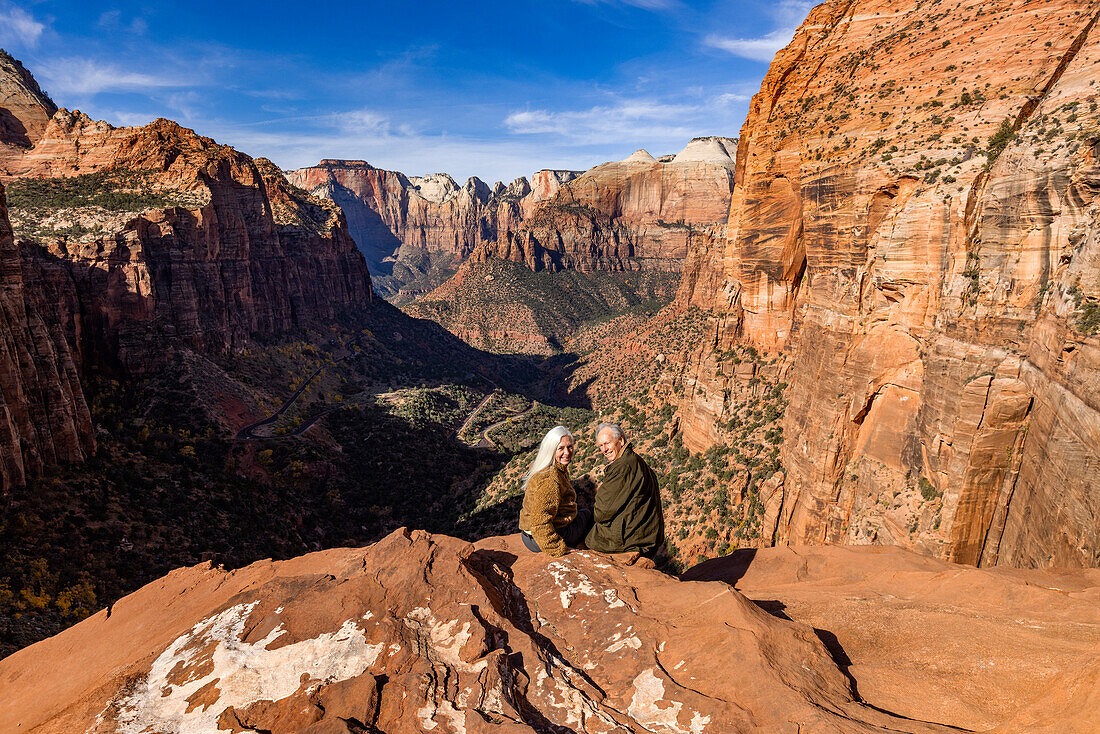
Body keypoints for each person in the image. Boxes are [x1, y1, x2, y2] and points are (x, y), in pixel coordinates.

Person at [584, 423, 665, 558]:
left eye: (607, 443)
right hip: (644, 533)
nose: (604, 450)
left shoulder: (623, 466)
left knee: (581, 533)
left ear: (621, 440)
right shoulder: (633, 459)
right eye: (601, 446)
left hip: (630, 539)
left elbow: (601, 513)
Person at [519, 426, 593, 556]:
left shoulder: (554, 469)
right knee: (589, 514)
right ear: (551, 450)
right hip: (539, 539)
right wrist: (559, 548)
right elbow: (540, 522)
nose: (567, 452)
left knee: (581, 511)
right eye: (561, 448)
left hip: (530, 535)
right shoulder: (550, 479)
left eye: (570, 447)